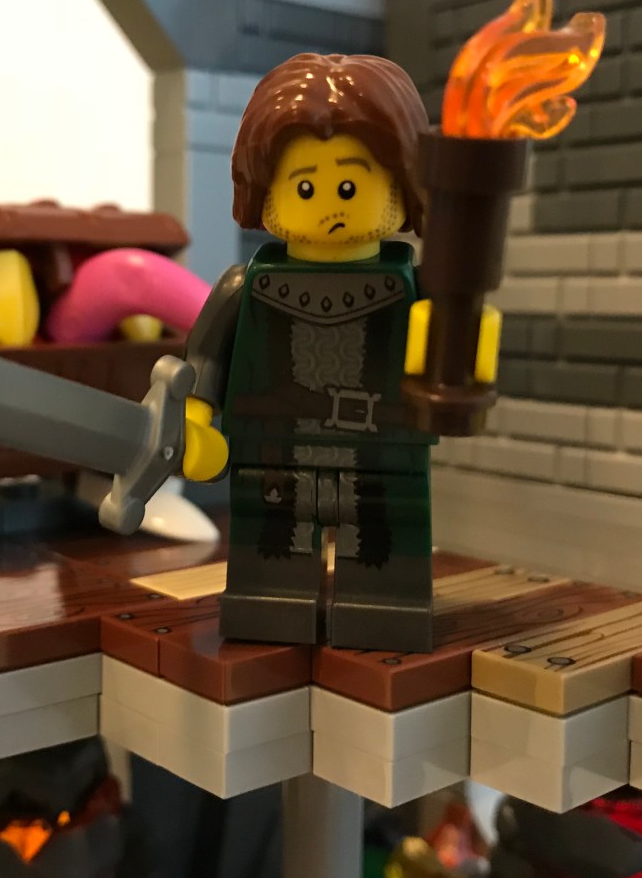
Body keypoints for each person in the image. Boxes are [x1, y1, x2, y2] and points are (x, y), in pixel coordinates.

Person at [180, 52, 498, 653]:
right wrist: (194, 421)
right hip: (274, 452)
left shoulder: (419, 289)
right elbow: (204, 361)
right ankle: (268, 603)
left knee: (384, 553)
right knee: (271, 555)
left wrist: (463, 353)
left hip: (384, 452)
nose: (329, 204)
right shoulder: (245, 287)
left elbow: (455, 358)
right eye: (305, 186)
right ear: (265, 187)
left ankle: (385, 608)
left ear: (402, 182)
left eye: (350, 185)